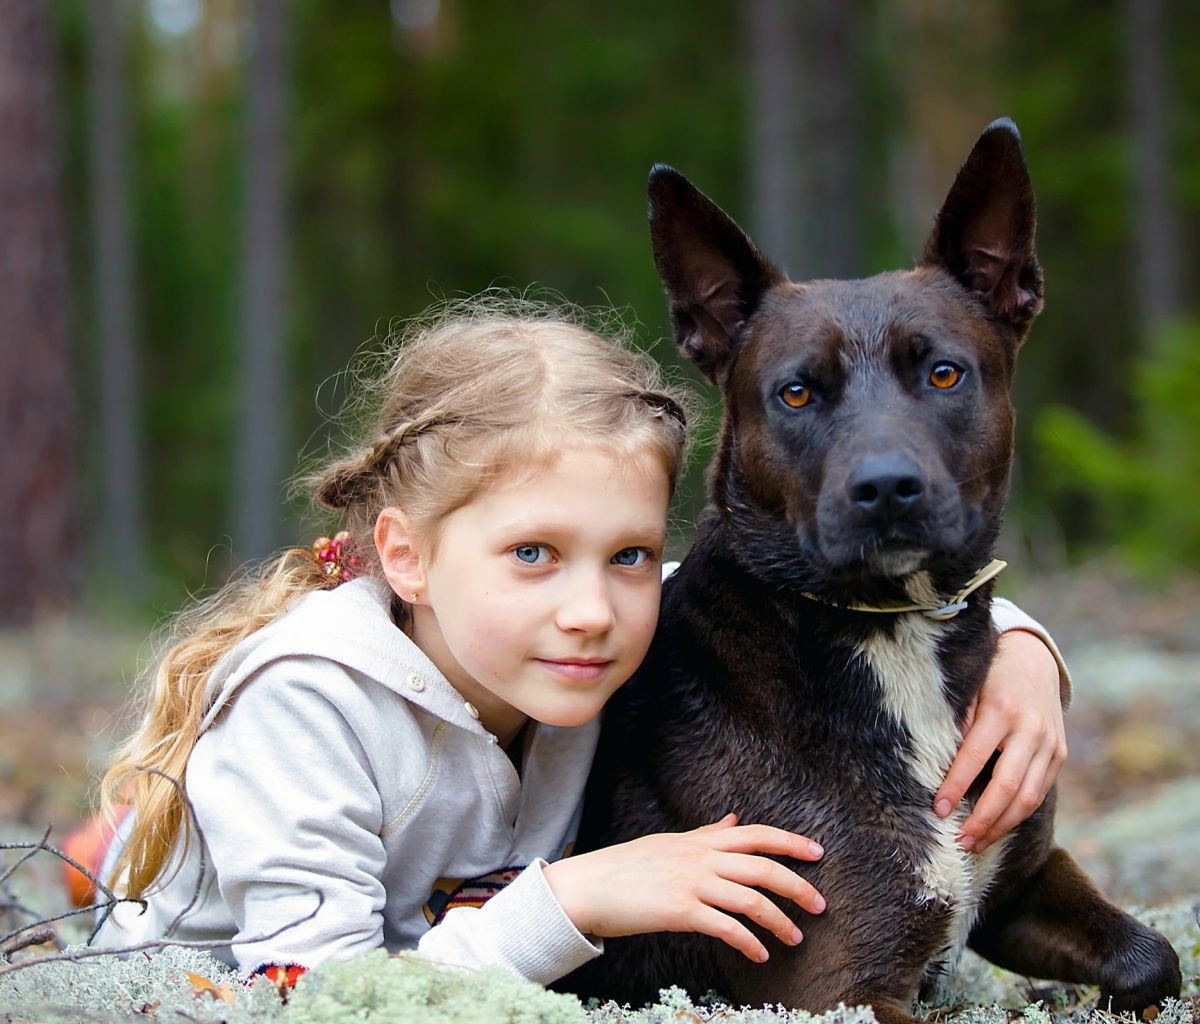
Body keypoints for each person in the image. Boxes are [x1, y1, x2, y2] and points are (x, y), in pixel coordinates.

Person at [90, 299, 1069, 988]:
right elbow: (313, 993)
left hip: (440, 950)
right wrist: (574, 897)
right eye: (533, 552)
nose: (592, 608)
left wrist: (1024, 648)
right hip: (219, 974)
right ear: (408, 556)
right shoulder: (308, 710)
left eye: (631, 552)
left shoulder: (582, 636)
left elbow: (791, 593)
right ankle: (132, 846)